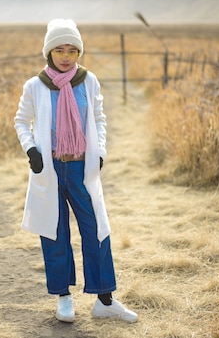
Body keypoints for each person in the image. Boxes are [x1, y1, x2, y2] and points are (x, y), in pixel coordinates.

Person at [14, 18, 138, 323]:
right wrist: (32, 150)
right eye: (59, 49)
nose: (66, 56)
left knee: (96, 231)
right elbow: (21, 121)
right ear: (49, 52)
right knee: (55, 234)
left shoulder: (88, 81)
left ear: (79, 52)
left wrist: (101, 152)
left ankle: (104, 300)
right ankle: (64, 298)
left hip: (82, 168)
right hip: (51, 169)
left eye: (72, 50)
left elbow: (98, 118)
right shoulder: (35, 86)